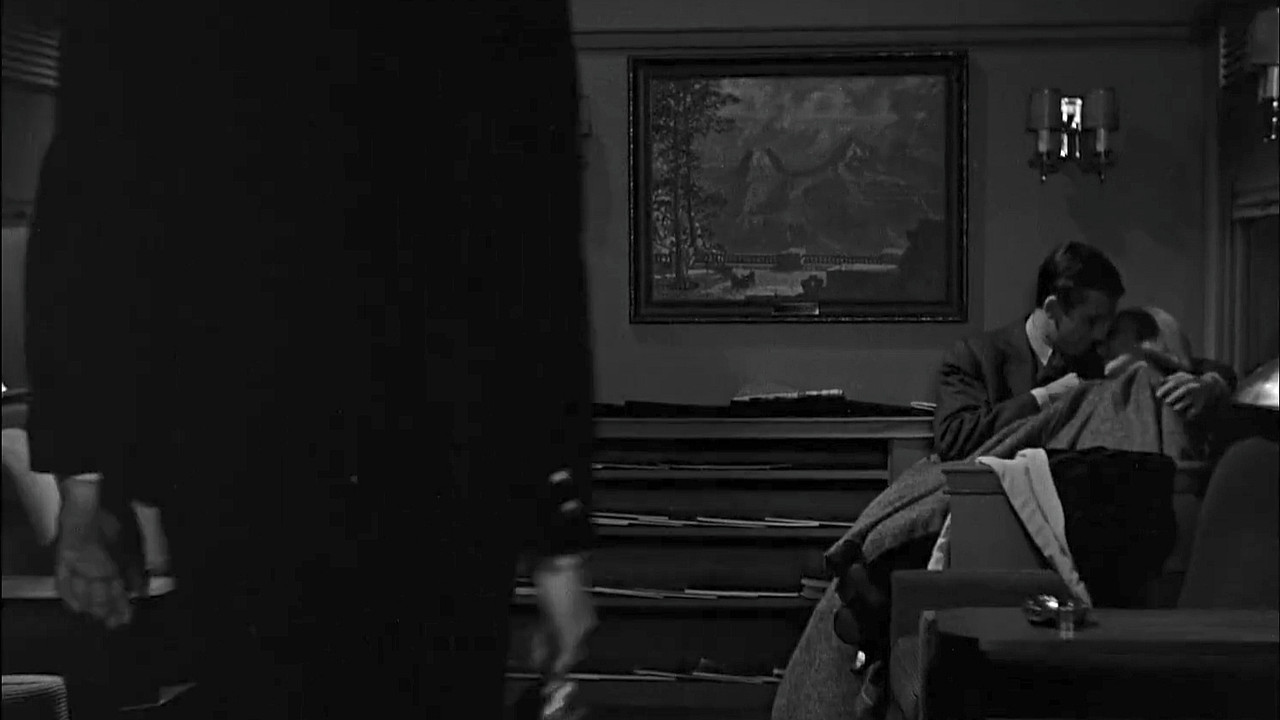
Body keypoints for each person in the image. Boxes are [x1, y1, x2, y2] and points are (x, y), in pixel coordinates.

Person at [26, 2, 595, 718]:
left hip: (237, 451)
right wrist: (557, 532)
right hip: (441, 454)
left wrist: (84, 484)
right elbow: (534, 244)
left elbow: (90, 214)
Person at [933, 241, 1125, 461]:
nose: (1100, 334)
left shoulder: (1100, 362)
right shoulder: (973, 356)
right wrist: (1044, 398)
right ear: (1052, 309)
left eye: (1107, 321)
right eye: (1091, 321)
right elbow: (954, 440)